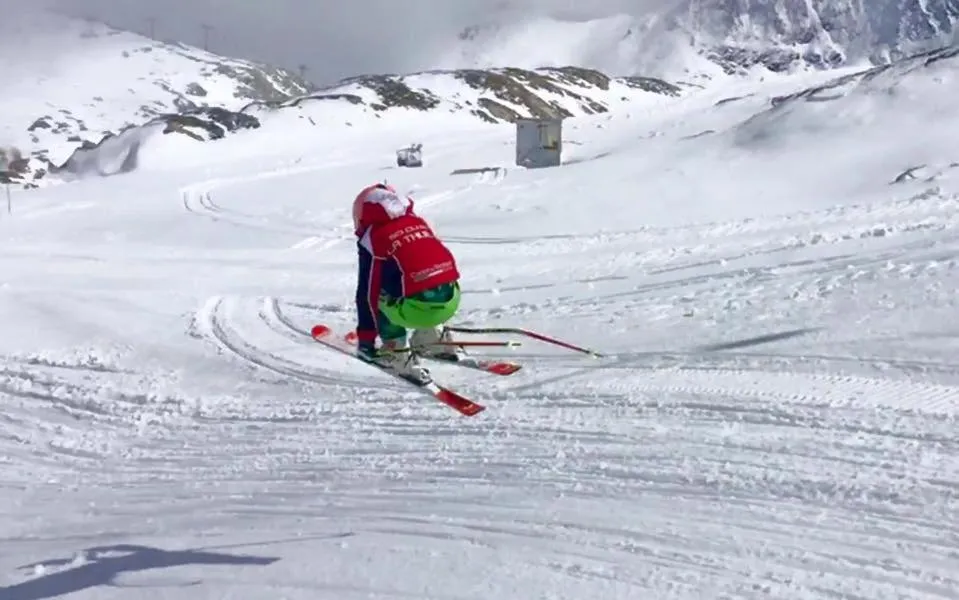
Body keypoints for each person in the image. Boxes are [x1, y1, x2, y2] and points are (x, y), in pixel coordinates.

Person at [352, 182, 464, 381]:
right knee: (427, 279)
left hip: (416, 311)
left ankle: (396, 351)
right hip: (450, 302)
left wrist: (366, 340)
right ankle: (433, 338)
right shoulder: (419, 222)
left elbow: (367, 293)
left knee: (380, 294)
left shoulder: (374, 237)